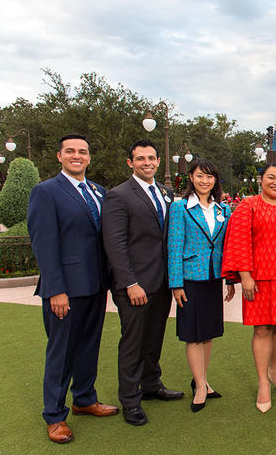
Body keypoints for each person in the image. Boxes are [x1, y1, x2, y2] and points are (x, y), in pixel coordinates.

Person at [27, 134, 119, 443]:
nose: (76, 156)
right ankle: (54, 415)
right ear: (59, 156)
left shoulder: (98, 191)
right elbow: (45, 244)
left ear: (89, 158)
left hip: (95, 285)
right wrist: (56, 290)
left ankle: (84, 398)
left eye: (82, 152)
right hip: (64, 290)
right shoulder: (46, 192)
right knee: (61, 352)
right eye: (70, 151)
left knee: (89, 345)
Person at [102, 139, 184, 427]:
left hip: (161, 283)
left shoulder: (166, 192)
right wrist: (129, 283)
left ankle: (151, 385)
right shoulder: (118, 196)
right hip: (135, 286)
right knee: (133, 343)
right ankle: (130, 400)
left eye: (151, 158)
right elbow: (115, 245)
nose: (146, 162)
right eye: (140, 159)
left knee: (153, 338)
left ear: (159, 161)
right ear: (130, 162)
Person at [221, 163, 276, 413]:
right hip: (258, 278)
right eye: (271, 177)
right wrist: (245, 276)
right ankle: (262, 383)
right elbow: (239, 239)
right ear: (261, 180)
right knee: (263, 329)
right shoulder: (249, 205)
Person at [167, 159, 234, 413]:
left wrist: (230, 279)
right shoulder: (180, 208)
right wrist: (176, 284)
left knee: (207, 333)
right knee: (193, 334)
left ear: (215, 180)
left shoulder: (223, 210)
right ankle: (199, 386)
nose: (205, 181)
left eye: (210, 177)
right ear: (191, 179)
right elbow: (174, 247)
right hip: (190, 279)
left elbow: (227, 247)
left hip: (214, 278)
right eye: (199, 176)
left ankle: (203, 381)